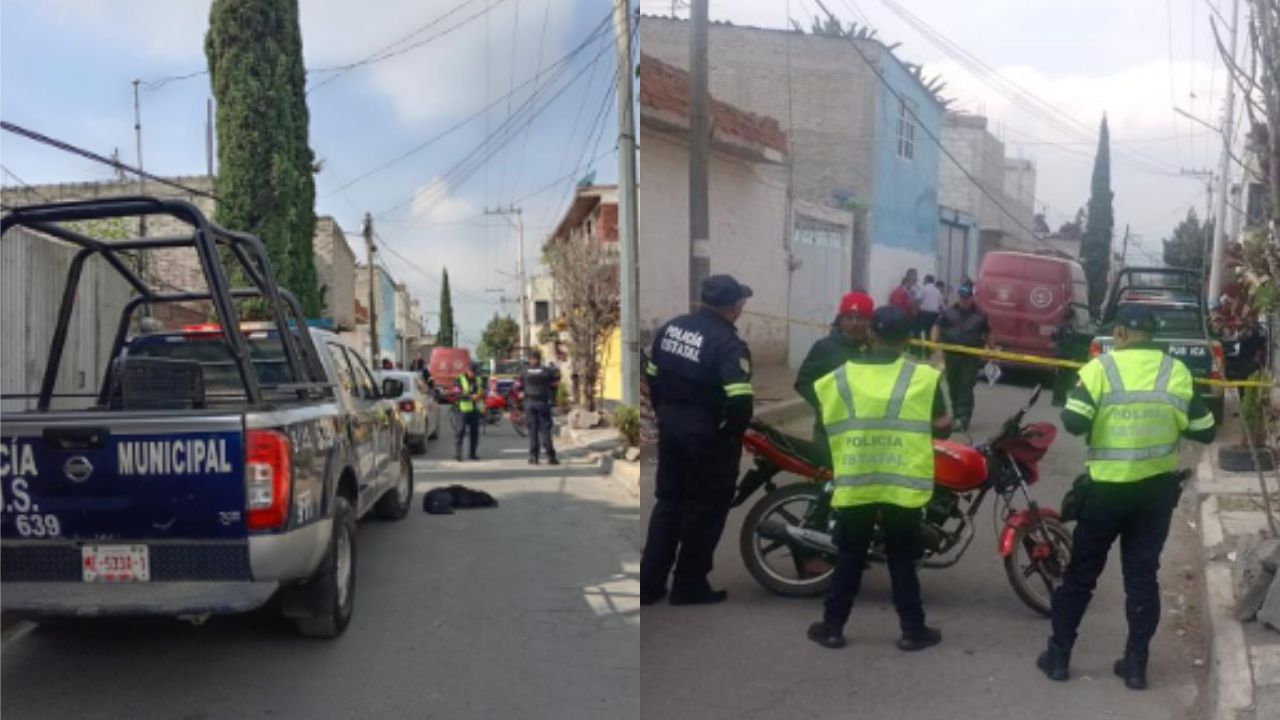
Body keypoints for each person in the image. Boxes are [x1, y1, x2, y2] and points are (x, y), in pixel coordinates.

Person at [1037, 305, 1215, 690]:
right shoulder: (1176, 372)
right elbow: (1204, 430)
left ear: (1119, 334)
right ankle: (1136, 666)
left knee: (1081, 576)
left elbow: (1073, 422)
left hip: (1105, 492)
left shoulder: (1102, 369)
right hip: (1154, 495)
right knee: (1141, 578)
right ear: (1153, 335)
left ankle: (1059, 657)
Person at [805, 306, 952, 652]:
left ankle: (832, 627)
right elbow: (944, 424)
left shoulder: (841, 376)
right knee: (902, 556)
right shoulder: (923, 378)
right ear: (907, 339)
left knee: (850, 554)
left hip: (858, 477)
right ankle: (912, 630)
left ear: (871, 333)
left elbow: (823, 409)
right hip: (902, 481)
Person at [641, 274, 754, 606]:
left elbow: (651, 376)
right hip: (709, 439)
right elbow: (739, 402)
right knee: (705, 510)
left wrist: (665, 413)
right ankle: (689, 584)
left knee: (669, 504)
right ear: (734, 307)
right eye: (741, 304)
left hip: (672, 430)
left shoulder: (671, 328)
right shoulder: (728, 344)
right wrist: (731, 437)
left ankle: (649, 584)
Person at [794, 291, 874, 466]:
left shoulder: (874, 350)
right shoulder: (824, 348)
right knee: (826, 483)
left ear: (869, 322)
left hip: (866, 434)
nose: (854, 324)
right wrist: (822, 404)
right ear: (841, 319)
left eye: (860, 318)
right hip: (828, 432)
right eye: (849, 317)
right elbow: (803, 382)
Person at [931, 281, 989, 432]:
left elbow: (989, 333)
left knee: (966, 385)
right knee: (953, 385)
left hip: (970, 356)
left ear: (972, 297)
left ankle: (963, 417)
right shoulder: (948, 312)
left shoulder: (980, 316)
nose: (964, 300)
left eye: (967, 297)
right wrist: (934, 343)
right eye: (962, 296)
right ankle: (957, 413)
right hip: (951, 355)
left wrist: (991, 350)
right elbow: (937, 326)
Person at [521, 350, 560, 465]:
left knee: (533, 431)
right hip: (542, 403)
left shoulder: (524, 371)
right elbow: (556, 382)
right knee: (545, 430)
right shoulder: (547, 371)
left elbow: (519, 386)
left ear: (530, 359)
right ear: (540, 359)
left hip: (529, 403)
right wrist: (552, 394)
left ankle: (534, 457)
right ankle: (550, 457)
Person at [453, 362, 484, 462]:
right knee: (460, 431)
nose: (474, 374)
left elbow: (482, 391)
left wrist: (481, 396)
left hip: (475, 410)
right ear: (467, 370)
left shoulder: (478, 379)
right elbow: (457, 394)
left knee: (474, 433)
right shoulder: (459, 379)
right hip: (462, 409)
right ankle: (458, 454)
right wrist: (471, 397)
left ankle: (472, 454)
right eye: (472, 372)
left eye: (475, 372)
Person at [916, 275, 943, 341]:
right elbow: (941, 305)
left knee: (921, 332)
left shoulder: (923, 288)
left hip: (924, 314)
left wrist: (916, 310)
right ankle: (931, 348)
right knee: (932, 332)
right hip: (935, 315)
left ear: (926, 280)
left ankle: (922, 347)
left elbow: (917, 299)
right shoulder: (937, 291)